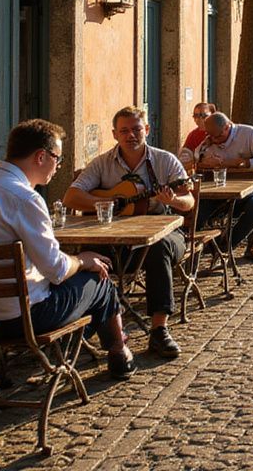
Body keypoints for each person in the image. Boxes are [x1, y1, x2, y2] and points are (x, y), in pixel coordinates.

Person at [0, 119, 138, 379]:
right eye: (58, 158)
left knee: (73, 280)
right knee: (100, 281)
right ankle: (119, 353)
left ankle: (95, 345)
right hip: (15, 319)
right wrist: (83, 259)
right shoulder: (25, 198)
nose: (58, 166)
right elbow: (56, 269)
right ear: (41, 156)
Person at [65, 107, 195, 359]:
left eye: (136, 129)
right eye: (124, 131)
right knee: (88, 254)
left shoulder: (165, 160)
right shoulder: (102, 163)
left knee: (159, 248)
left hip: (163, 231)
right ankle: (98, 330)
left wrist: (173, 201)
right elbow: (71, 195)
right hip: (116, 238)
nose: (131, 135)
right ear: (115, 134)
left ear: (147, 130)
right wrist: (105, 204)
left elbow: (188, 200)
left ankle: (159, 329)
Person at [194, 112, 253, 263]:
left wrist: (241, 163)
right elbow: (194, 157)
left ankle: (224, 246)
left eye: (216, 136)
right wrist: (203, 161)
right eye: (210, 136)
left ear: (227, 127)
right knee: (197, 210)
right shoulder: (209, 141)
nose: (214, 140)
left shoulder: (249, 134)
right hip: (218, 192)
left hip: (252, 189)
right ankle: (189, 250)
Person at [178, 102, 214, 171]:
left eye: (203, 115)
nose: (199, 119)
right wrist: (196, 161)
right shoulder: (193, 135)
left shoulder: (220, 132)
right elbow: (183, 162)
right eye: (196, 116)